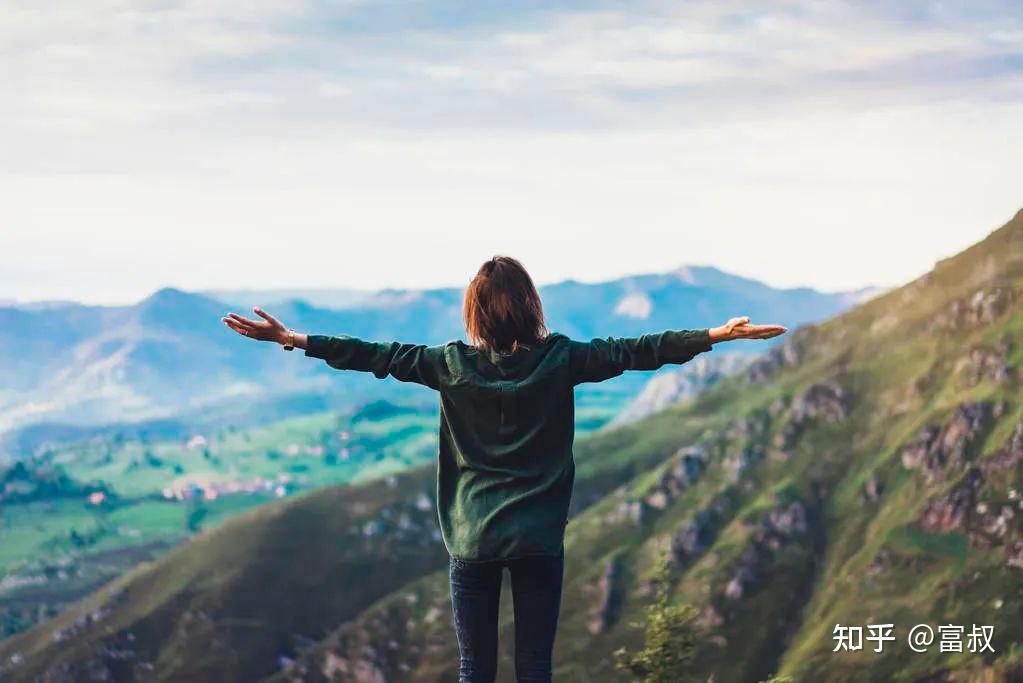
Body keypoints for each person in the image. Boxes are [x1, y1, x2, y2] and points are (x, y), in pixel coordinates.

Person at [222, 256, 786, 683]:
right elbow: (636, 350)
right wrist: (715, 335)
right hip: (538, 537)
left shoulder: (446, 365)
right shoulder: (561, 359)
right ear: (530, 307)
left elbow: (374, 354)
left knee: (476, 668)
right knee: (534, 665)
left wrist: (294, 339)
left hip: (473, 538)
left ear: (475, 313)